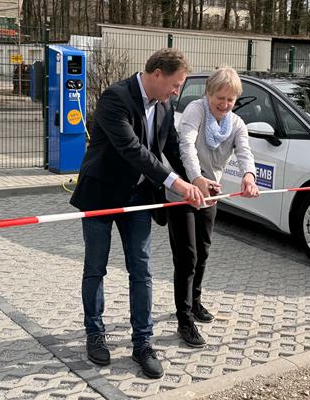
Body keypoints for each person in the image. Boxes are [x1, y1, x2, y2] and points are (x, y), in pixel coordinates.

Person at [69, 48, 205, 379]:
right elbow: (133, 150)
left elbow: (170, 146)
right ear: (157, 74)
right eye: (175, 84)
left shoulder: (165, 104)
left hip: (139, 197)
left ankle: (142, 344)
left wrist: (195, 178)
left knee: (142, 270)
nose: (177, 92)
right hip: (101, 194)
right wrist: (177, 185)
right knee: (95, 268)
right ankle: (95, 333)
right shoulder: (115, 97)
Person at [166, 67, 259, 348]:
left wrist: (249, 176)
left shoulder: (237, 123)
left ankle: (195, 302)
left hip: (209, 194)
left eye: (230, 100)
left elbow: (245, 152)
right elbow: (187, 147)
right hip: (182, 191)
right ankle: (184, 319)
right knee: (187, 256)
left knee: (203, 251)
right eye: (220, 97)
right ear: (208, 94)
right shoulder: (196, 110)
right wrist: (195, 179)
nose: (224, 104)